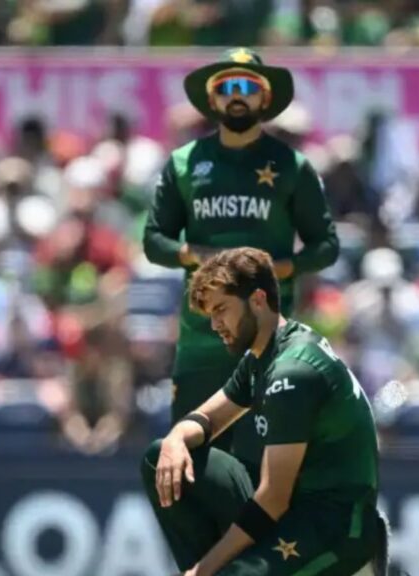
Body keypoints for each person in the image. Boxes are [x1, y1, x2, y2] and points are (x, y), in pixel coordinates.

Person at [143, 47, 340, 483]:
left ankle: (259, 555)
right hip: (200, 342)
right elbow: (153, 242)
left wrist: (276, 268)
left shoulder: (292, 166)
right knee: (191, 473)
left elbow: (326, 246)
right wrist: (196, 256)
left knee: (263, 476)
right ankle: (203, 556)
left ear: (264, 100)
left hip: (268, 345)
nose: (237, 96)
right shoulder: (184, 163)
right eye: (226, 87)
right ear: (211, 100)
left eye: (248, 87)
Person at [140, 248, 381, 575]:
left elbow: (273, 497)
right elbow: (207, 419)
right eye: (211, 314)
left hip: (335, 525)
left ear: (257, 300)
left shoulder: (292, 373)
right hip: (294, 507)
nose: (215, 325)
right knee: (161, 458)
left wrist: (202, 570)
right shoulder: (262, 356)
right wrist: (176, 439)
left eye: (221, 309)